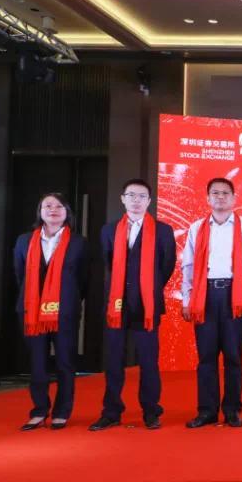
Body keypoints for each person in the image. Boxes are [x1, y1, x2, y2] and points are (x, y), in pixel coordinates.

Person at [90, 179, 176, 431]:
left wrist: (148, 289)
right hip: (116, 304)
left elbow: (167, 266)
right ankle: (111, 412)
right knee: (113, 360)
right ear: (122, 199)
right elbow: (108, 263)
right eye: (131, 195)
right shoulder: (108, 230)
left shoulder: (163, 230)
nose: (136, 200)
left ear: (149, 201)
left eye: (141, 196)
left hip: (147, 305)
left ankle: (151, 411)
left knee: (148, 361)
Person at [180, 177, 242, 428]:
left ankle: (233, 410)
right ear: (207, 198)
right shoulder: (197, 228)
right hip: (204, 295)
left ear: (234, 198)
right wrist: (187, 299)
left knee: (233, 356)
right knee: (206, 356)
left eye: (225, 193)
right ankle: (206, 411)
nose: (220, 197)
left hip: (235, 294)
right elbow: (188, 266)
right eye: (215, 193)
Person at [13, 193, 87, 430]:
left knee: (65, 361)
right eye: (47, 205)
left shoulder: (78, 242)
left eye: (58, 206)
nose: (53, 209)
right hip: (32, 312)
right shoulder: (24, 240)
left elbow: (84, 279)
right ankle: (39, 410)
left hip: (65, 311)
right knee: (37, 362)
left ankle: (61, 412)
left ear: (67, 212)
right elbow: (20, 274)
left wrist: (68, 300)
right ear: (40, 211)